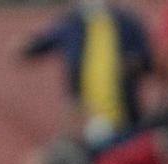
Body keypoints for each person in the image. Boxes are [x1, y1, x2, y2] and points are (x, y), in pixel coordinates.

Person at [19, 1, 154, 139]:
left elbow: (148, 59)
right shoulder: (71, 23)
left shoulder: (127, 22)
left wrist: (133, 65)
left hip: (123, 113)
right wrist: (27, 48)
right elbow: (44, 42)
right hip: (84, 115)